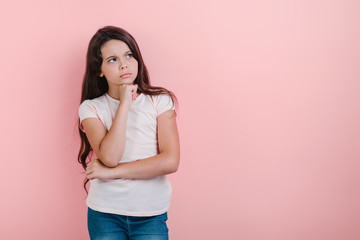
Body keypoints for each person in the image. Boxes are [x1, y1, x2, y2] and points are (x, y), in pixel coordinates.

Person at [77, 26, 180, 240]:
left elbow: (170, 161)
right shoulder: (91, 108)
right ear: (99, 70)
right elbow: (110, 157)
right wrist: (124, 104)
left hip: (150, 213)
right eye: (112, 59)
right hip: (105, 213)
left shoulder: (160, 100)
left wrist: (110, 173)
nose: (124, 63)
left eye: (128, 55)